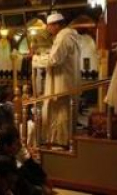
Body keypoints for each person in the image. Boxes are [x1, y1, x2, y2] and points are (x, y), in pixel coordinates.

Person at [43, 13, 81, 147]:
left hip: (62, 84)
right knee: (65, 114)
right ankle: (65, 141)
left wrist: (37, 59)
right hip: (68, 82)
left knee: (61, 115)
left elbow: (54, 59)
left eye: (49, 26)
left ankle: (61, 143)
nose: (47, 29)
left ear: (57, 25)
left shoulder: (63, 36)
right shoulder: (71, 35)